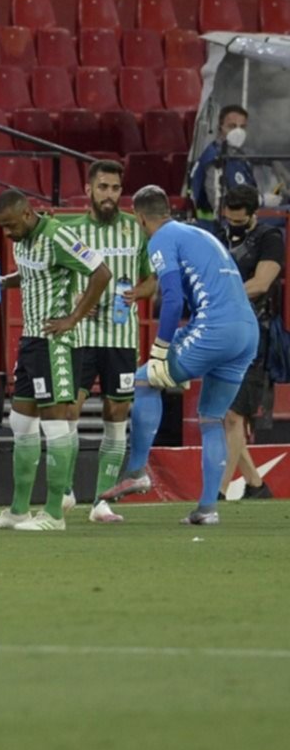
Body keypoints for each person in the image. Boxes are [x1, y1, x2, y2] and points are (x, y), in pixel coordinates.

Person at [101, 186, 260, 525]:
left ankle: (138, 470)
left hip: (216, 328)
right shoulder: (201, 235)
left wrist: (161, 350)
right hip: (247, 330)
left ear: (140, 217)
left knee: (145, 380)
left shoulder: (161, 238)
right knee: (211, 419)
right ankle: (206, 509)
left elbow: (171, 298)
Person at [0, 189, 111, 532]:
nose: (8, 233)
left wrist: (73, 319)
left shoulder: (58, 234)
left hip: (58, 343)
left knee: (55, 423)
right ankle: (18, 510)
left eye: (10, 225)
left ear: (26, 214)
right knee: (21, 424)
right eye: (3, 227)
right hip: (31, 340)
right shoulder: (22, 241)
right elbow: (32, 275)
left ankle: (54, 513)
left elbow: (101, 273)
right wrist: (2, 282)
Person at [58, 160, 155, 523]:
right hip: (81, 336)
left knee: (116, 413)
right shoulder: (70, 231)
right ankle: (65, 491)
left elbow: (151, 280)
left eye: (115, 188)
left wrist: (134, 295)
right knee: (69, 410)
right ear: (88, 190)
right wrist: (79, 305)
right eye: (103, 187)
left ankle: (101, 502)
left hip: (121, 338)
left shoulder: (135, 230)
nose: (110, 195)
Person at [214, 184, 283, 500]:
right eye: (230, 221)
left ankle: (219, 490)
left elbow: (261, 283)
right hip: (221, 330)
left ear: (253, 215)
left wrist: (218, 297)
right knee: (222, 413)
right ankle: (256, 485)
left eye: (240, 222)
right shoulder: (220, 234)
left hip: (253, 332)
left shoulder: (270, 239)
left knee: (233, 415)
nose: (234, 226)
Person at [189, 104, 256, 222]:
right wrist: (262, 201)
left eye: (242, 127)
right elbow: (218, 205)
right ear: (220, 127)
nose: (238, 132)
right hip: (219, 225)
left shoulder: (239, 156)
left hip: (246, 216)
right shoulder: (214, 159)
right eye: (232, 126)